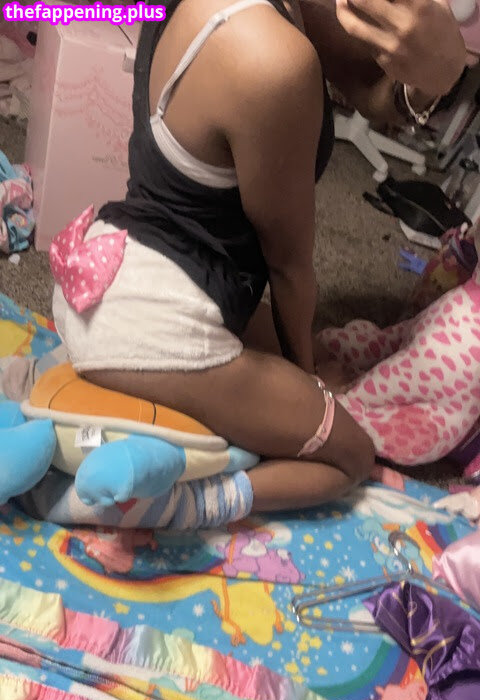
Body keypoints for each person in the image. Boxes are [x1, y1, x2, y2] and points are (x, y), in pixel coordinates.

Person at [51, 0, 467, 513]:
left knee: (316, 356)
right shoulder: (270, 57)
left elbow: (372, 92)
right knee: (349, 454)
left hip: (127, 259)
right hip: (150, 321)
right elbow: (289, 268)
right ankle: (190, 505)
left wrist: (432, 75)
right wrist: (311, 385)